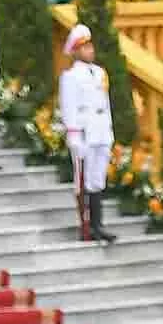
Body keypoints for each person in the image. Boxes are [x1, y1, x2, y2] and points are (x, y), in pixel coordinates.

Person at [58, 24, 116, 243]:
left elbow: (105, 103)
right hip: (84, 132)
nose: (90, 50)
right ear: (75, 51)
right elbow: (68, 106)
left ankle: (98, 224)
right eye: (84, 47)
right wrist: (73, 135)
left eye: (90, 46)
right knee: (82, 180)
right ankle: (86, 225)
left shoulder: (100, 72)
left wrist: (109, 130)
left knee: (97, 180)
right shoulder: (70, 76)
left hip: (100, 130)